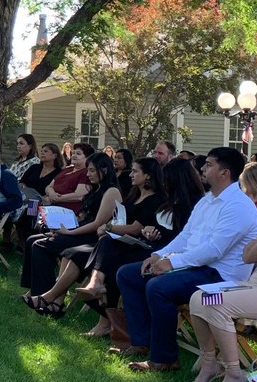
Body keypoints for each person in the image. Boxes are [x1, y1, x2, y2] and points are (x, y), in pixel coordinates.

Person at [116, 147, 257, 373]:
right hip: (197, 267)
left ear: (225, 173)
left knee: (158, 287)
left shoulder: (239, 206)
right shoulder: (207, 200)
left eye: (209, 165)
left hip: (221, 276)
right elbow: (186, 236)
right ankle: (141, 341)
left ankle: (164, 359)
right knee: (128, 274)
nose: (202, 168)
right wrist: (159, 254)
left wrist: (172, 263)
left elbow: (214, 250)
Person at [188, 202, 257, 382]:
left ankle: (234, 374)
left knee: (217, 304)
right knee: (199, 297)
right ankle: (209, 363)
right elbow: (248, 256)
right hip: (255, 287)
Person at [71, 157, 166, 336]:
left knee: (109, 256)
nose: (130, 174)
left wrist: (108, 227)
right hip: (120, 244)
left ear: (148, 175)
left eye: (135, 171)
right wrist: (109, 228)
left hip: (142, 248)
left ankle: (97, 288)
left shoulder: (156, 200)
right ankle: (102, 307)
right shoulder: (133, 195)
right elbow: (119, 219)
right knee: (105, 252)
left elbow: (135, 228)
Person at [19, 152, 120, 313]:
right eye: (88, 170)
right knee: (32, 239)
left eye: (92, 170)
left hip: (92, 237)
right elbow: (83, 217)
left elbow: (97, 224)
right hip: (78, 229)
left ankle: (44, 296)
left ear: (105, 170)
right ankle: (36, 290)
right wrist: (63, 228)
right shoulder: (95, 188)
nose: (88, 174)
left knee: (41, 245)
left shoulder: (111, 191)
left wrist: (69, 233)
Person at [14, 142, 63, 248]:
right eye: (41, 151)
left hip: (44, 202)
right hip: (26, 197)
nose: (42, 153)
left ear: (54, 155)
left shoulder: (59, 172)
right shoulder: (34, 167)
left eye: (46, 151)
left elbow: (58, 189)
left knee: (29, 212)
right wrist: (23, 187)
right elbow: (22, 182)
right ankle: (17, 241)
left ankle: (27, 243)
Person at [42, 141, 95, 214]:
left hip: (68, 211)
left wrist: (57, 199)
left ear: (88, 158)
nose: (74, 155)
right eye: (73, 153)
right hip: (51, 206)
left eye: (78, 154)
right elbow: (49, 187)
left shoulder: (86, 172)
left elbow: (79, 195)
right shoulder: (66, 169)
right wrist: (52, 194)